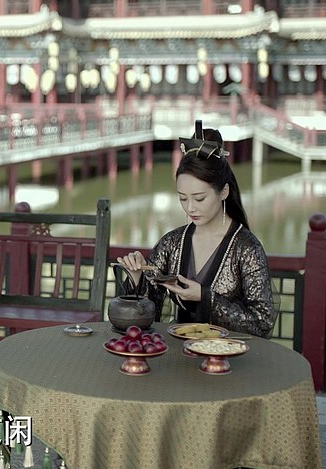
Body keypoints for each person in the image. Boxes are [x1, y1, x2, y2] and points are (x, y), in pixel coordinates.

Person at [116, 120, 276, 338]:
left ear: (224, 191)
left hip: (230, 354)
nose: (190, 208)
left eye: (199, 198)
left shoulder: (247, 248)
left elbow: (262, 323)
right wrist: (136, 277)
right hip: (178, 350)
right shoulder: (172, 243)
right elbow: (144, 314)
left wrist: (205, 297)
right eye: (183, 198)